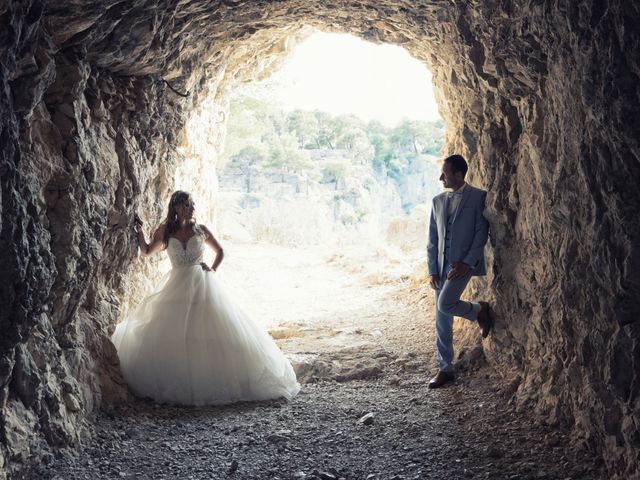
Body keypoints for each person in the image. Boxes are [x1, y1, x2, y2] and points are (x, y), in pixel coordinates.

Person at [111, 190, 300, 405]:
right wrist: (139, 229)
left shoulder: (201, 230)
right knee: (174, 331)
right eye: (186, 205)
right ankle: (183, 379)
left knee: (208, 327)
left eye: (192, 205)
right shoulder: (165, 230)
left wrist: (213, 268)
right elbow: (146, 251)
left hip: (202, 283)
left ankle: (215, 379)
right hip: (176, 284)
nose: (191, 209)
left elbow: (220, 251)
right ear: (176, 207)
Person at [426, 154, 494, 388]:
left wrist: (467, 263)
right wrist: (432, 270)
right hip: (441, 267)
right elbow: (433, 239)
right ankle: (445, 368)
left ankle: (479, 310)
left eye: (445, 173)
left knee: (445, 304)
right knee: (441, 320)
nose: (440, 177)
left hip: (462, 265)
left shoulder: (478, 197)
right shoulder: (437, 201)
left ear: (458, 174)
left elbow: (480, 233)